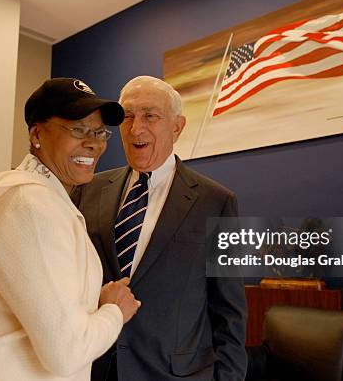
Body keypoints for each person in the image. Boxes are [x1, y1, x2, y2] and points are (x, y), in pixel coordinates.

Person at [0, 78, 140, 381]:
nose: (94, 143)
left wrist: (90, 301)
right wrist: (114, 311)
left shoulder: (44, 199)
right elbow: (67, 352)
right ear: (37, 134)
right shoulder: (29, 205)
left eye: (99, 132)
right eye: (78, 129)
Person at [75, 76, 247, 381]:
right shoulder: (88, 189)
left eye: (150, 116)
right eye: (127, 116)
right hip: (93, 366)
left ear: (177, 127)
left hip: (174, 374)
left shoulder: (216, 202)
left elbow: (229, 312)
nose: (135, 128)